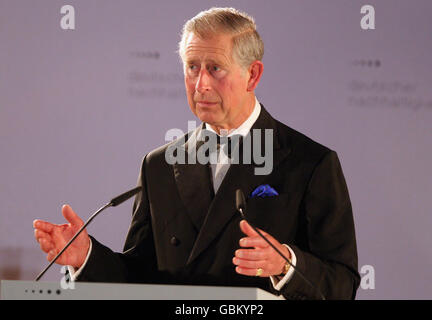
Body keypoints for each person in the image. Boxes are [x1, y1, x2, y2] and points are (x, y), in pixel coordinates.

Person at [33, 7, 360, 300]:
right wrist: (86, 257)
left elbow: (342, 285)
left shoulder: (309, 163)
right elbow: (140, 276)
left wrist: (286, 264)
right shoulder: (159, 164)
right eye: (192, 67)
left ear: (253, 75)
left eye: (215, 68)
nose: (200, 84)